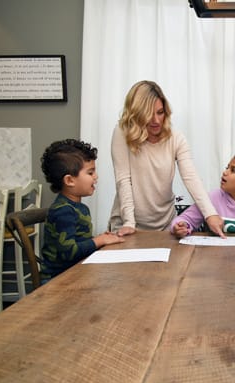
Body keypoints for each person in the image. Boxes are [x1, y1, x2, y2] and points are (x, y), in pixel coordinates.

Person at [109, 80, 224, 237]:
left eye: (160, 112)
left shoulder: (176, 138)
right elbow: (123, 179)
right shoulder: (122, 133)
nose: (156, 120)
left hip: (165, 224)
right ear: (137, 114)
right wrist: (129, 222)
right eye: (149, 114)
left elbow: (191, 178)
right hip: (127, 224)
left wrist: (210, 214)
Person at [41, 139, 124, 279]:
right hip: (57, 280)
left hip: (76, 273)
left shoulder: (81, 208)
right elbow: (69, 252)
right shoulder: (63, 211)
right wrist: (99, 241)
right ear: (69, 181)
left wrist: (97, 239)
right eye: (90, 173)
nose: (96, 177)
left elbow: (78, 242)